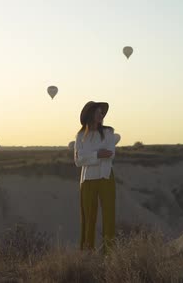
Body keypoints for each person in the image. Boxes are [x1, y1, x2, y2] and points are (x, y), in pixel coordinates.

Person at [74, 101, 117, 254]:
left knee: (109, 216)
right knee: (88, 217)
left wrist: (90, 156)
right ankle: (87, 252)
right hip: (87, 180)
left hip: (106, 177)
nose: (102, 115)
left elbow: (110, 154)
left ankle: (110, 253)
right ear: (90, 114)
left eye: (102, 112)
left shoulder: (109, 133)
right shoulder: (80, 136)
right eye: (99, 112)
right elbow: (78, 161)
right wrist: (98, 154)